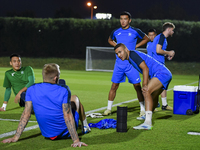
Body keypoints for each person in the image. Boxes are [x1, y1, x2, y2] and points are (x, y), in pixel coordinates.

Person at [1, 63, 90, 147]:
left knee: (38, 106)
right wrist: (76, 140)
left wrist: (15, 137)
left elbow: (26, 114)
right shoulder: (64, 89)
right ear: (55, 78)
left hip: (47, 134)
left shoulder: (31, 89)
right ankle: (85, 126)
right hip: (64, 133)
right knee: (75, 98)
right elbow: (67, 115)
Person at [114, 43, 174, 130]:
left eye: (120, 52)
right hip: (164, 73)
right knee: (153, 95)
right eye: (117, 53)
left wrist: (145, 85)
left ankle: (147, 123)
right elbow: (147, 70)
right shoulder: (130, 58)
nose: (119, 55)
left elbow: (145, 68)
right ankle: (148, 115)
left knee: (146, 91)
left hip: (161, 73)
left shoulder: (133, 54)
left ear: (126, 50)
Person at [103, 11, 150, 118]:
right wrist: (116, 46)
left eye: (125, 19)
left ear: (129, 20)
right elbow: (109, 40)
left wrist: (136, 46)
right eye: (121, 19)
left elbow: (146, 38)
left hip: (131, 64)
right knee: (114, 86)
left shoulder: (134, 31)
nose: (123, 21)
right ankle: (108, 109)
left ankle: (142, 109)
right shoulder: (116, 31)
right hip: (119, 64)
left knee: (137, 86)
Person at [150, 22, 175, 111]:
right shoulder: (161, 37)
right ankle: (150, 106)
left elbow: (159, 51)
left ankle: (162, 104)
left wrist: (167, 55)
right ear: (168, 29)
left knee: (162, 84)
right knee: (157, 85)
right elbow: (158, 50)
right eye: (172, 30)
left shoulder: (161, 37)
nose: (173, 32)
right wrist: (169, 52)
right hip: (157, 66)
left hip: (157, 64)